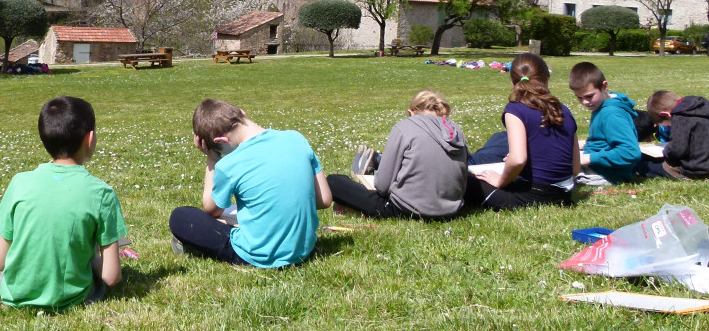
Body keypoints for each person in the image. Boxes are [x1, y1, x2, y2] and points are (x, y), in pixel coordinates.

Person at [0, 96, 127, 310]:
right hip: (70, 299)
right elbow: (111, 277)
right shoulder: (102, 193)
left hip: (14, 296)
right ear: (90, 139)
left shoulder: (19, 183)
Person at [168, 99, 333, 268]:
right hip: (304, 249)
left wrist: (212, 159)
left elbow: (211, 210)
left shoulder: (229, 164)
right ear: (242, 113)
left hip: (261, 255)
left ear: (221, 141)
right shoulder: (296, 138)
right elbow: (325, 200)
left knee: (181, 217)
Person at [327, 90, 469, 219]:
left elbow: (382, 186)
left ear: (411, 111)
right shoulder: (456, 131)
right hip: (452, 209)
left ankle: (353, 200)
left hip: (407, 209)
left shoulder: (405, 127)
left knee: (334, 181)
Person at [465, 53, 579, 210]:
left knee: (462, 180)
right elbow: (575, 167)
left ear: (513, 83)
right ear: (546, 80)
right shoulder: (564, 109)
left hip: (535, 195)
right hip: (564, 193)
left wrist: (501, 181)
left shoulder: (516, 109)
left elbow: (518, 159)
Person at [569, 62, 641, 185]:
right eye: (579, 97)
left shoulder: (612, 114)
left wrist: (587, 158)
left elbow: (630, 152)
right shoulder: (601, 104)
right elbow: (605, 140)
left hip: (604, 173)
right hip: (596, 164)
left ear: (604, 86)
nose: (585, 102)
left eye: (589, 96)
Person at [647, 91, 709, 179]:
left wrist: (666, 152)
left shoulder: (680, 118)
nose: (670, 127)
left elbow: (677, 150)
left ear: (665, 114)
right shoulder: (703, 109)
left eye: (668, 125)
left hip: (698, 170)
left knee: (645, 166)